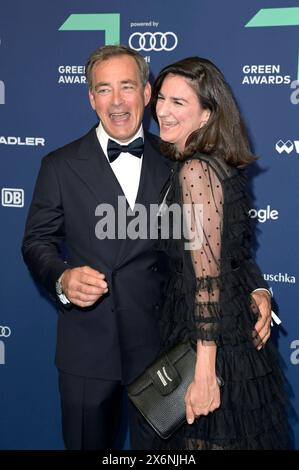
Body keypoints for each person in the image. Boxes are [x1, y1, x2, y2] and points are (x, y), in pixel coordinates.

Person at [21, 45, 172, 450]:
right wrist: (62, 277)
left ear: (146, 92)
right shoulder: (59, 164)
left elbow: (208, 246)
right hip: (86, 350)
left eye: (127, 86)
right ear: (91, 98)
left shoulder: (177, 161)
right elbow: (37, 241)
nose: (117, 101)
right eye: (104, 89)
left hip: (161, 349)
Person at [150, 57, 290, 449]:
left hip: (208, 340)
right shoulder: (219, 163)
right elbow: (235, 254)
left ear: (207, 113)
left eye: (179, 102)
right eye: (162, 98)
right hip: (222, 329)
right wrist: (259, 290)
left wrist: (205, 370)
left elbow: (208, 277)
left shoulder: (195, 171)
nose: (162, 110)